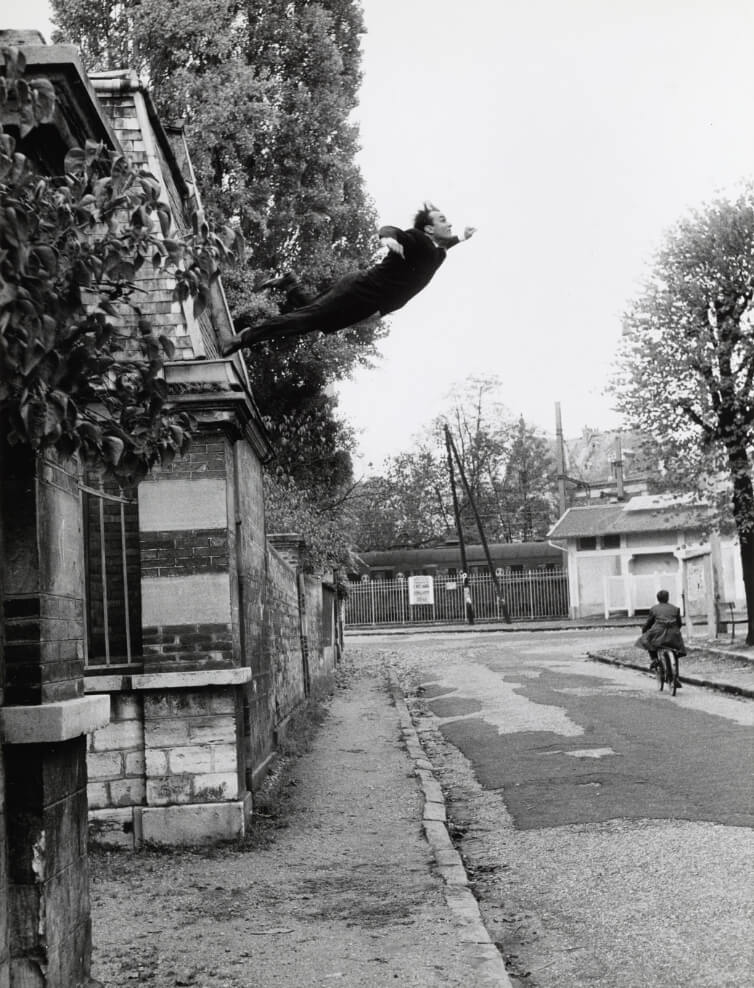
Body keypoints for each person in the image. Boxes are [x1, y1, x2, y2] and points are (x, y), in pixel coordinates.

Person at [221, 203, 476, 356]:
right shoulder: (418, 240)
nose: (449, 223)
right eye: (443, 220)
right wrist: (387, 238)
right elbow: (394, 231)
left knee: (314, 315)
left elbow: (444, 246)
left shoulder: (438, 253)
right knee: (308, 319)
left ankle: (289, 283)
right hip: (360, 290)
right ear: (429, 228)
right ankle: (242, 338)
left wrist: (462, 237)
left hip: (369, 304)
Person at [636, 589, 686, 687]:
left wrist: (644, 630)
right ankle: (676, 678)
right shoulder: (675, 609)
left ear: (658, 599)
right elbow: (679, 624)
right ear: (668, 598)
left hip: (658, 633)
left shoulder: (654, 609)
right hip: (673, 635)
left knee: (647, 640)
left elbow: (649, 623)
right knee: (675, 653)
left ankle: (654, 659)